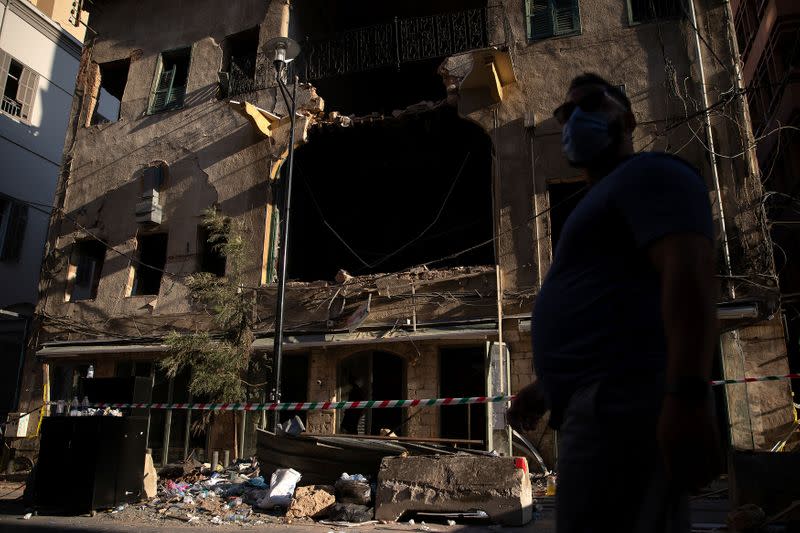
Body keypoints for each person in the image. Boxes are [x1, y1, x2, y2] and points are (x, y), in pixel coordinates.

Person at [507, 73, 721, 532]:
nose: (575, 120)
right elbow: (615, 307)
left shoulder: (650, 174)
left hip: (622, 406)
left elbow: (690, 279)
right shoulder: (599, 202)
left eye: (591, 106)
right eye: (566, 114)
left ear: (627, 119)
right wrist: (547, 387)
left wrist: (687, 398)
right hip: (594, 408)